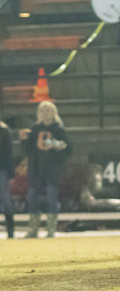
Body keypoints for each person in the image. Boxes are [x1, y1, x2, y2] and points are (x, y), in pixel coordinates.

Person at [20, 101, 71, 238]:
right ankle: (33, 228)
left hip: (52, 170)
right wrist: (24, 140)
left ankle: (51, 229)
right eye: (42, 110)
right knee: (32, 198)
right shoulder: (35, 129)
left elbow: (68, 150)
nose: (44, 113)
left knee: (52, 199)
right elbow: (28, 150)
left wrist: (56, 146)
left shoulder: (59, 130)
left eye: (47, 110)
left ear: (54, 113)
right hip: (36, 169)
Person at [0, 119, 15, 238]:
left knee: (5, 199)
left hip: (2, 169)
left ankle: (10, 230)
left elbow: (9, 153)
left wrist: (11, 173)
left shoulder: (4, 131)